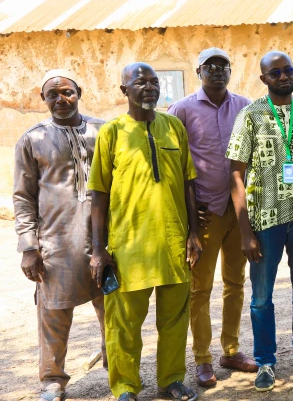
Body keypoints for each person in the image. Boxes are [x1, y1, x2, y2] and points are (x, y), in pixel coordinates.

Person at [88, 63, 202, 401]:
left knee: (175, 319)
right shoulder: (112, 132)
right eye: (140, 82)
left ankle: (171, 379)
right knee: (123, 322)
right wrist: (98, 248)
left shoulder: (173, 127)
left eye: (154, 82)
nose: (149, 87)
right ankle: (125, 386)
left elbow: (188, 181)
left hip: (172, 243)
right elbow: (99, 193)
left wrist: (194, 233)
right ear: (124, 90)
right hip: (128, 247)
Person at [227, 51, 293, 392]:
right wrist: (245, 232)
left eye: (289, 70)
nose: (284, 76)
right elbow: (236, 174)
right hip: (264, 220)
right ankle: (265, 361)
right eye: (276, 73)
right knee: (261, 296)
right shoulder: (250, 115)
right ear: (264, 79)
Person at [14, 69, 107, 401]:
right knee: (53, 312)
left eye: (67, 92)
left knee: (112, 306)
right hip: (56, 241)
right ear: (43, 99)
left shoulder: (103, 131)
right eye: (52, 94)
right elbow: (23, 197)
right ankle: (53, 380)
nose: (60, 99)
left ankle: (118, 366)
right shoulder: (32, 139)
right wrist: (29, 247)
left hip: (104, 238)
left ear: (79, 92)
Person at [168, 48, 255, 387]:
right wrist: (188, 212)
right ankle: (202, 358)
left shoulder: (245, 107)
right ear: (199, 71)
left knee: (235, 283)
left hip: (239, 211)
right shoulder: (182, 110)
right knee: (200, 289)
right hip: (204, 214)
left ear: (230, 71)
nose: (218, 71)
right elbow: (175, 164)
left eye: (224, 66)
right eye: (210, 66)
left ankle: (230, 350)